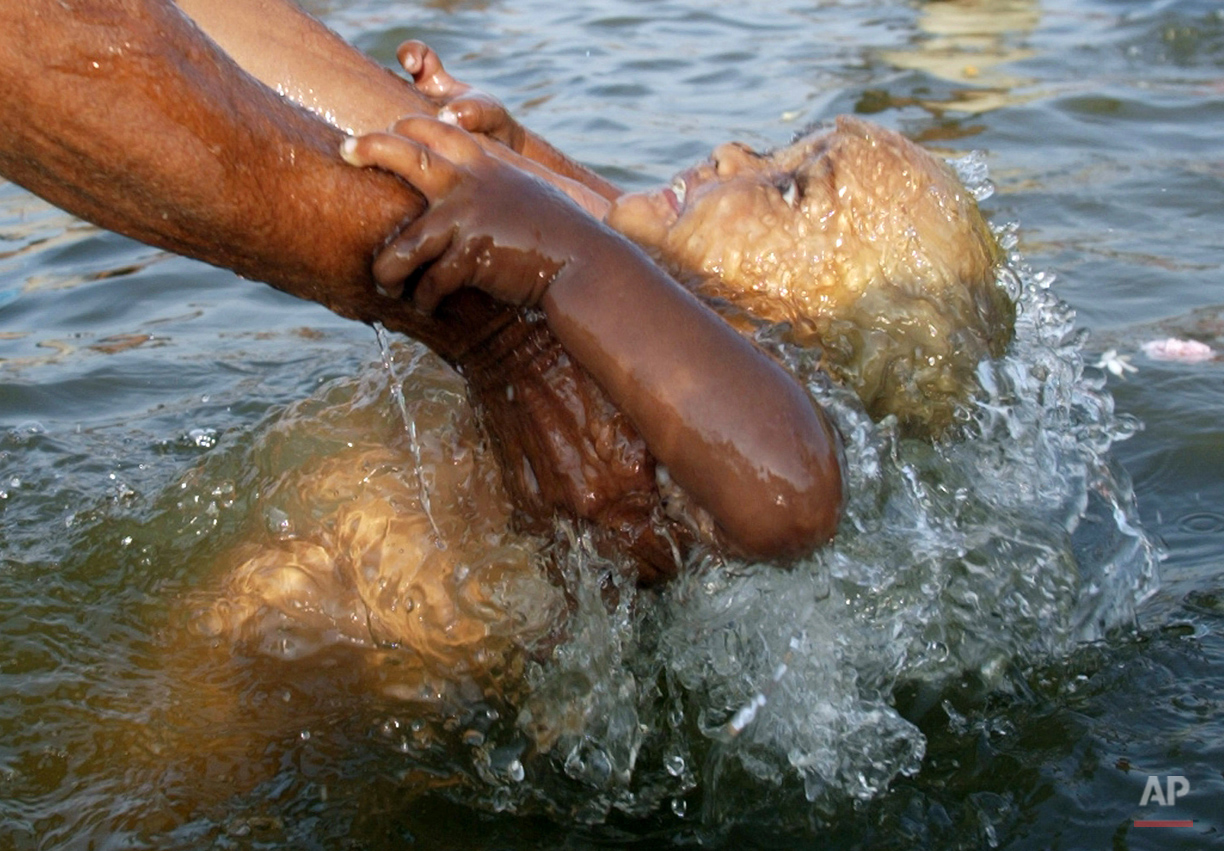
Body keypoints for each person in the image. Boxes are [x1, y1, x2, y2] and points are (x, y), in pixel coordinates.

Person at [0, 0, 845, 586]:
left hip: (376, 671)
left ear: (822, 318)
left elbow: (790, 488)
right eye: (778, 148)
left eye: (791, 188)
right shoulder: (653, 302)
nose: (740, 155)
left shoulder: (738, 367)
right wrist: (518, 154)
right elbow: (592, 220)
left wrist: (564, 255)